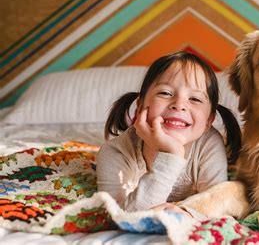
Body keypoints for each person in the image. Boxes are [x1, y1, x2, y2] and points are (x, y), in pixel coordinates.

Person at [96, 52, 240, 218]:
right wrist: (171, 155)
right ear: (140, 105)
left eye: (195, 99)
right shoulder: (115, 152)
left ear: (209, 120)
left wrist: (187, 214)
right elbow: (122, 218)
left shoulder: (209, 145)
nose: (179, 105)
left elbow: (217, 209)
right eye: (165, 93)